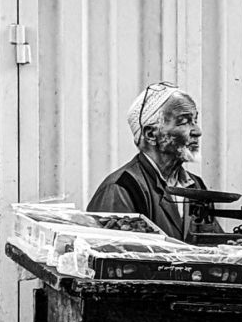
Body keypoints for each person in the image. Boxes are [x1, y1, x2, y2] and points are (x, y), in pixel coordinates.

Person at [87, 82, 205, 241]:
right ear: (150, 134)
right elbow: (111, 252)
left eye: (195, 121)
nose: (197, 131)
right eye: (184, 121)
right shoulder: (121, 189)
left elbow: (213, 246)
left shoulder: (196, 186)